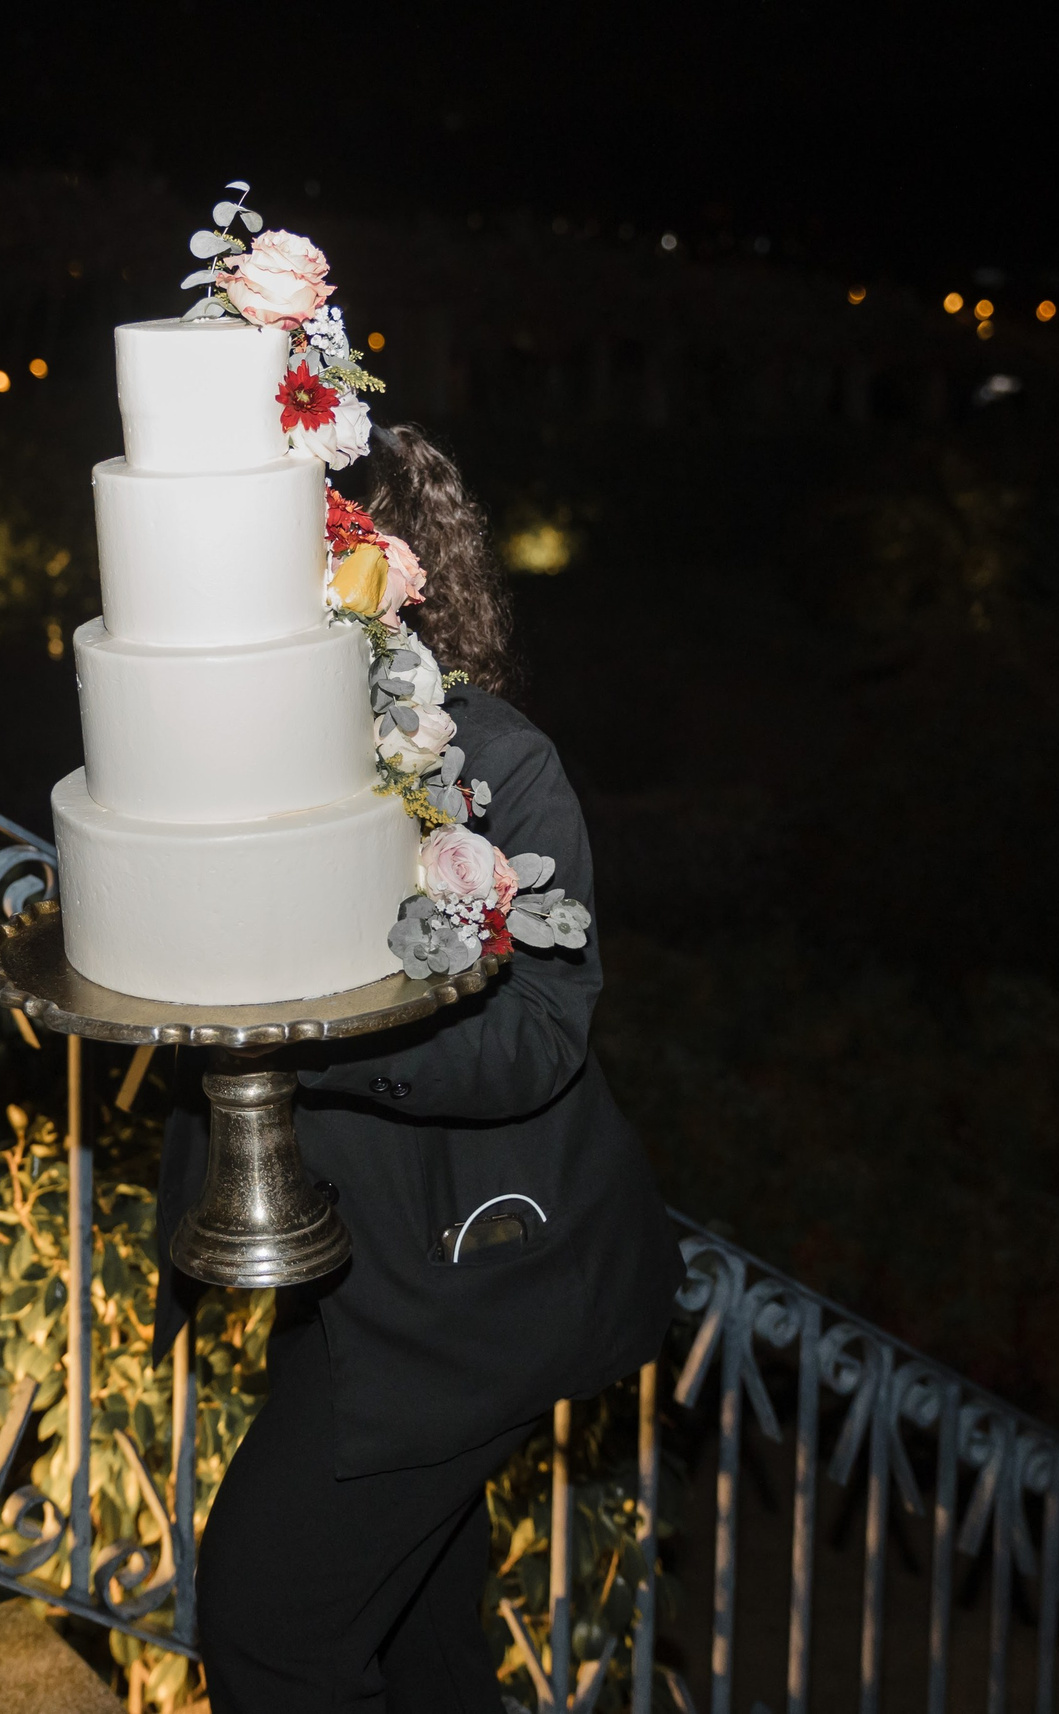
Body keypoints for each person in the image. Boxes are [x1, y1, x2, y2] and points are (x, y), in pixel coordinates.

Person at [156, 424, 684, 1714]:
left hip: (480, 1285)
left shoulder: (499, 765)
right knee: (422, 1636)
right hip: (347, 1270)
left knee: (272, 1624)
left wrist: (318, 1035)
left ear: (390, 572)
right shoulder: (238, 758)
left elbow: (545, 1031)